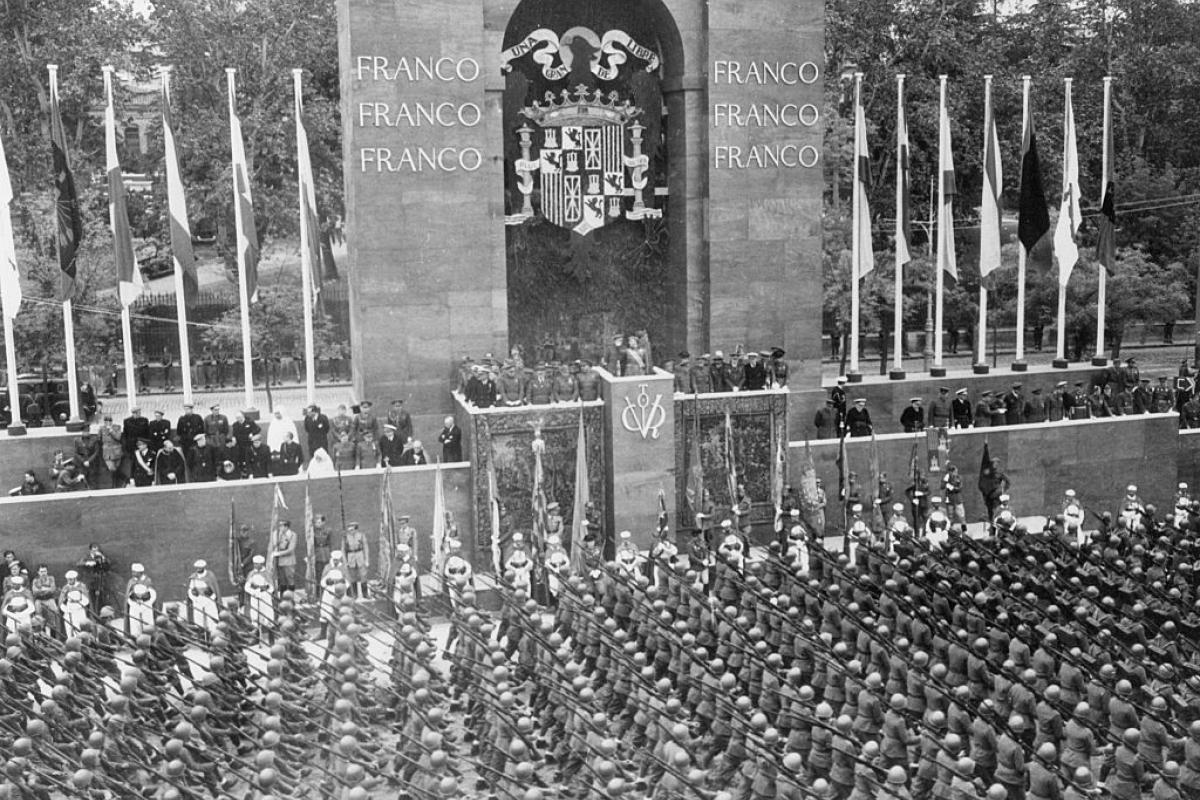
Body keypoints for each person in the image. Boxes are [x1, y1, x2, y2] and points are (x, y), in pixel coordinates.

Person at [186, 559, 221, 637]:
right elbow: (190, 590)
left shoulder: (210, 576)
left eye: (200, 568)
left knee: (212, 617)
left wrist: (211, 596)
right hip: (198, 600)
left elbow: (214, 589)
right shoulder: (193, 577)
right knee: (199, 618)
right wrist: (194, 597)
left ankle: (213, 634)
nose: (198, 569)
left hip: (209, 600)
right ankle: (201, 635)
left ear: (203, 567)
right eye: (197, 568)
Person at [342, 522, 369, 599]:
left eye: (352, 529)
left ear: (356, 529)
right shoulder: (345, 537)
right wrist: (345, 561)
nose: (350, 531)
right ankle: (354, 594)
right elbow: (343, 550)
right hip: (350, 557)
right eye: (349, 529)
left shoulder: (361, 535)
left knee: (363, 576)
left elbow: (365, 547)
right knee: (352, 577)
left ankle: (365, 594)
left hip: (360, 556)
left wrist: (366, 559)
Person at [271, 520, 298, 595]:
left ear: (286, 526)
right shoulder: (278, 534)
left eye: (281, 526)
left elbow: (291, 549)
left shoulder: (292, 535)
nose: (279, 527)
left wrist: (278, 553)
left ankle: (290, 596)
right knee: (282, 580)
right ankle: (283, 597)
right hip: (280, 561)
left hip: (289, 561)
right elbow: (275, 544)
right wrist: (275, 535)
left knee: (290, 579)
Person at [100, 413, 125, 487]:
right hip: (107, 452)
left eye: (109, 421)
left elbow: (118, 437)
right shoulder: (101, 429)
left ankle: (117, 484)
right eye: (106, 421)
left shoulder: (117, 427)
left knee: (117, 468)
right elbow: (99, 439)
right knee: (111, 468)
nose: (108, 423)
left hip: (116, 451)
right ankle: (119, 481)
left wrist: (111, 431)